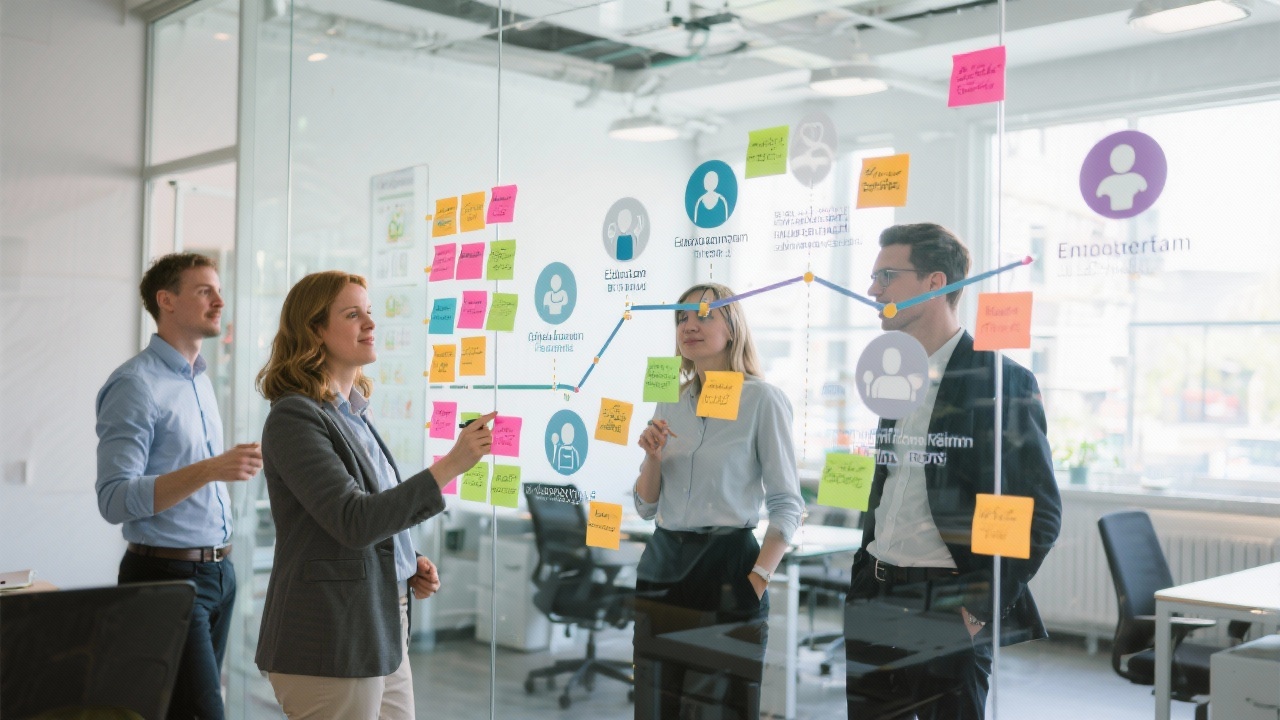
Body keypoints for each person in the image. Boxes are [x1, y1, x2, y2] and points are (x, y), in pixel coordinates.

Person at [844, 223, 1062, 720]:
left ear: (934, 281)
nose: (872, 290)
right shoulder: (894, 374)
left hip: (946, 600)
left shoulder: (1001, 381)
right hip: (875, 591)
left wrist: (977, 606)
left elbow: (1039, 513)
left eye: (886, 276)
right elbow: (891, 490)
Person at [254, 270, 494, 719]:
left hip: (381, 624)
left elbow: (368, 518)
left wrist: (406, 561)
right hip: (331, 636)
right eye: (352, 314)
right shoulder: (294, 417)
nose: (370, 323)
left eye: (369, 312)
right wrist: (451, 464)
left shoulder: (354, 416)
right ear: (315, 331)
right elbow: (352, 519)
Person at [95, 252, 264, 720]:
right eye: (204, 290)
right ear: (166, 300)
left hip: (220, 574)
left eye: (219, 290)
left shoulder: (201, 380)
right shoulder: (135, 385)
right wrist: (211, 469)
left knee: (179, 712)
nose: (220, 300)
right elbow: (114, 499)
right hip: (165, 579)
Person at [633, 282, 805, 720]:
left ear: (732, 328)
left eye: (704, 315)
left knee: (722, 709)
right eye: (681, 318)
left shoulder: (762, 399)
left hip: (728, 564)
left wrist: (758, 579)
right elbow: (646, 506)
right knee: (656, 705)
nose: (689, 325)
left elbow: (787, 502)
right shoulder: (671, 398)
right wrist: (651, 458)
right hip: (665, 562)